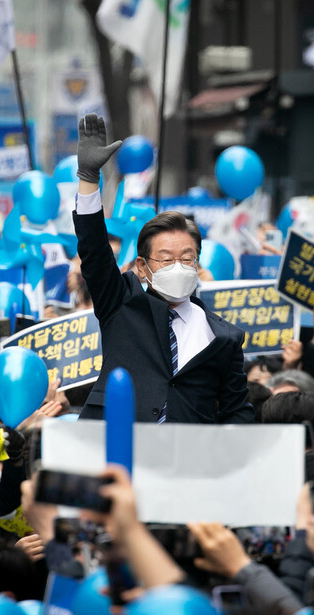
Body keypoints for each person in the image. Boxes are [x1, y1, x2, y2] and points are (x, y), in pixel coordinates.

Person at [72, 114, 253, 424]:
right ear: (142, 267)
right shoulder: (121, 303)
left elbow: (237, 412)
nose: (179, 266)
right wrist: (89, 177)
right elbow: (94, 251)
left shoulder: (224, 337)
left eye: (187, 257)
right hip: (115, 454)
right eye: (166, 259)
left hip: (182, 465)